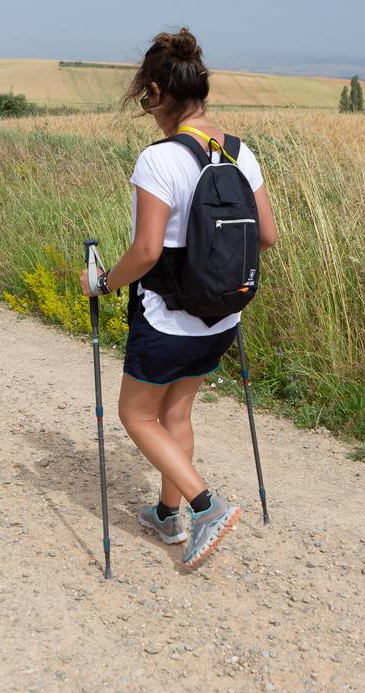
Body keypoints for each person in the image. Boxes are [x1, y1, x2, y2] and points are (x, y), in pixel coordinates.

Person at [80, 28, 278, 569]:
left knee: (136, 416)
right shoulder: (241, 153)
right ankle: (170, 516)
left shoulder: (158, 159)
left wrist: (102, 283)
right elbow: (268, 236)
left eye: (145, 93)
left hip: (166, 319)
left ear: (157, 92)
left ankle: (205, 506)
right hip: (222, 314)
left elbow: (146, 251)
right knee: (177, 411)